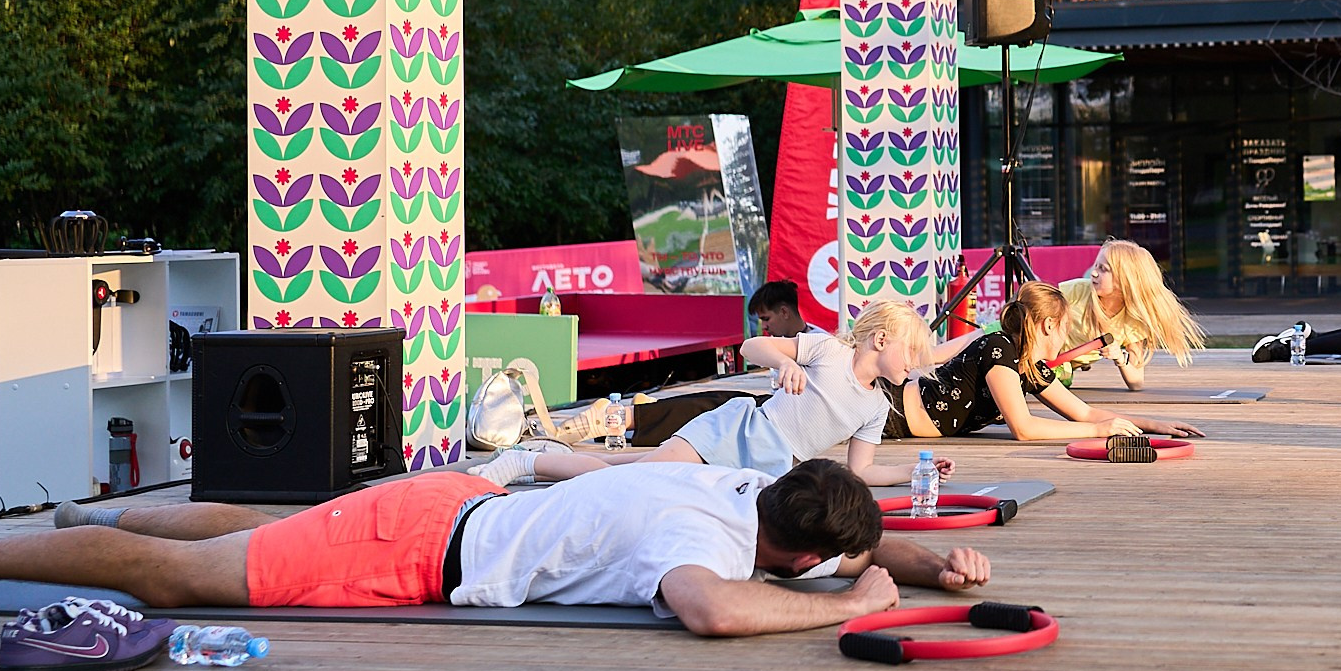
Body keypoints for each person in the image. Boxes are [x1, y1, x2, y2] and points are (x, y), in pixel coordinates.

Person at [0, 459, 989, 638]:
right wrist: (849, 611)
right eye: (825, 568)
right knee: (195, 583)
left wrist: (940, 568)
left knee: (258, 534)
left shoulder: (752, 492)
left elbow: (847, 536)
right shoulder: (698, 537)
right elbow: (709, 609)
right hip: (423, 546)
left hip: (455, 505)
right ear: (793, 556)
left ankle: (104, 520)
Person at [500, 299, 939, 489]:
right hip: (735, 434)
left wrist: (916, 471)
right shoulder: (827, 349)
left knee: (617, 465)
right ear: (880, 341)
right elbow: (752, 346)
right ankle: (526, 461)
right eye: (912, 353)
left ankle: (532, 464)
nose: (915, 365)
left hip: (765, 468)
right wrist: (785, 362)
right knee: (626, 476)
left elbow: (861, 470)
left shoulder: (875, 406)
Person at [899, 282, 1201, 442]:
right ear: (1048, 325)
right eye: (1065, 328)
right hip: (891, 409)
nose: (1066, 337)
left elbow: (1084, 412)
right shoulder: (999, 348)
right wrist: (1099, 431)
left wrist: (1153, 425)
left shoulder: (1030, 366)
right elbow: (1023, 428)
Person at [1059, 239, 1206, 391]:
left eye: (1103, 269)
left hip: (1060, 369)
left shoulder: (1131, 322)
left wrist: (1120, 357)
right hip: (1042, 359)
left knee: (1061, 378)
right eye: (1096, 266)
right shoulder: (1073, 292)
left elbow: (1136, 382)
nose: (1094, 273)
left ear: (1125, 280)